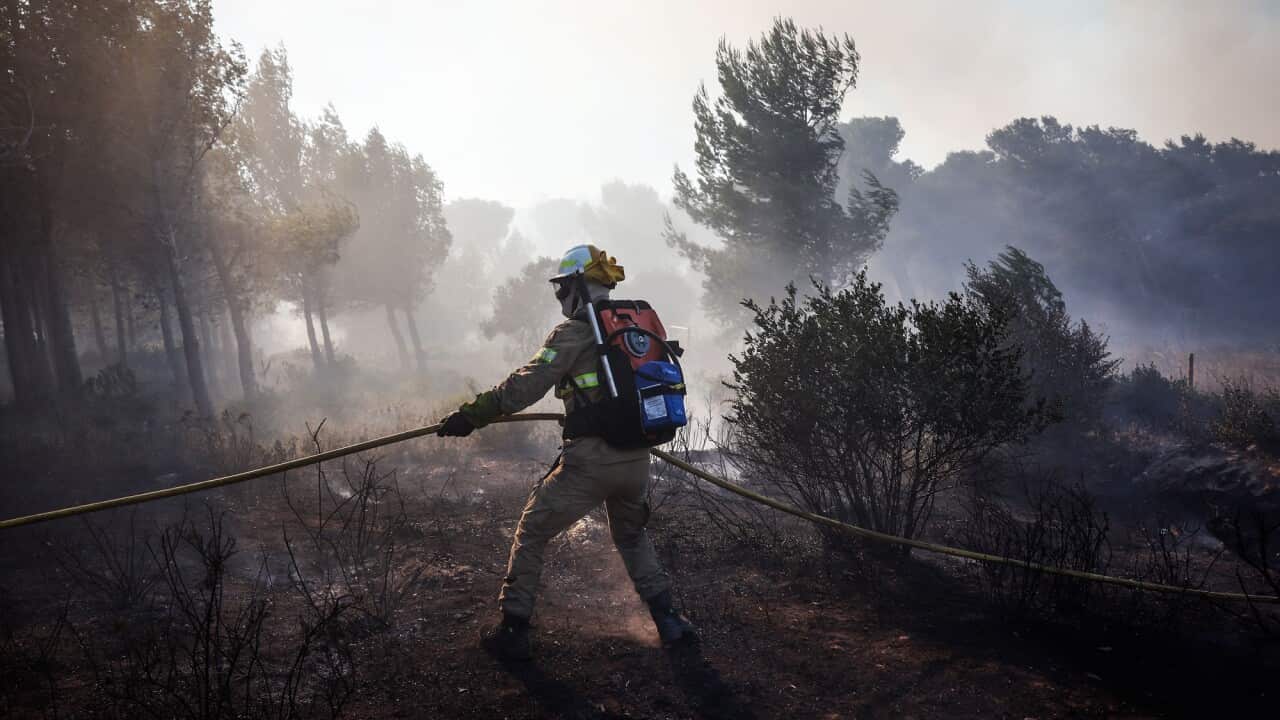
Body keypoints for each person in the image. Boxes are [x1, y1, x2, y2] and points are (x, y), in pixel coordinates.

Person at [437, 244, 698, 661]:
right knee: (631, 535)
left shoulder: (575, 332)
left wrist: (472, 416)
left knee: (532, 531)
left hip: (592, 462)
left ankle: (513, 628)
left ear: (578, 286)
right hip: (636, 459)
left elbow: (525, 385)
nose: (561, 299)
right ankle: (669, 621)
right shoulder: (632, 328)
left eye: (563, 290)